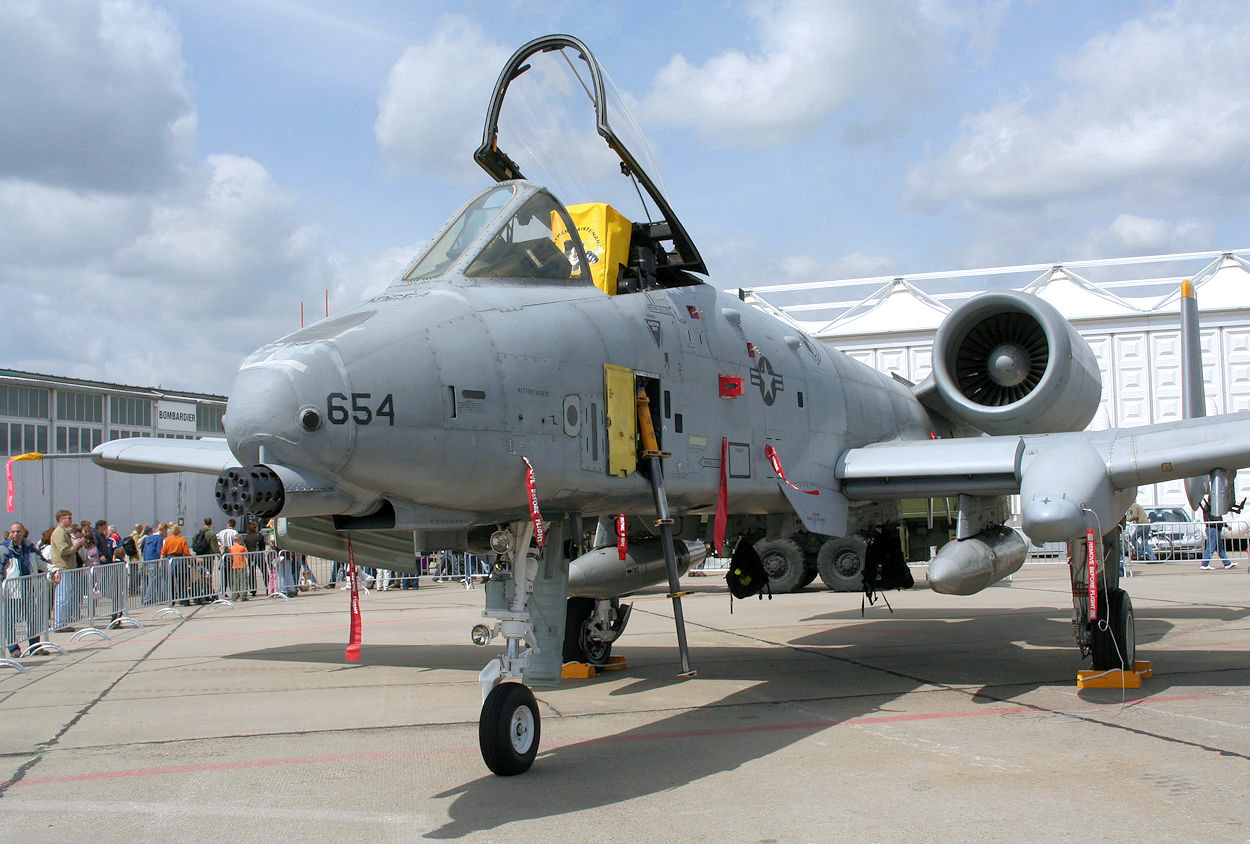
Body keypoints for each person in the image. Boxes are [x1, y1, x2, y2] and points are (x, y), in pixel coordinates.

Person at [2, 522, 53, 656]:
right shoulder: (5, 549)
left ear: (23, 532)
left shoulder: (29, 547)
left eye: (18, 531)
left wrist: (54, 570)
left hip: (29, 591)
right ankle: (14, 649)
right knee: (10, 621)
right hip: (12, 592)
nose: (16, 534)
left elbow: (42, 562)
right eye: (13, 532)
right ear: (9, 533)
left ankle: (35, 646)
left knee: (32, 620)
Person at [48, 509, 86, 632]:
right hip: (63, 567)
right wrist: (75, 546)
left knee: (65, 596)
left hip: (67, 567)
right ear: (61, 519)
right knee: (62, 597)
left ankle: (62, 622)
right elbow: (63, 551)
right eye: (68, 518)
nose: (71, 520)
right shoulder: (59, 533)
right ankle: (59, 623)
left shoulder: (64, 532)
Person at [1199, 496, 1244, 570]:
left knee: (1220, 548)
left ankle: (1227, 563)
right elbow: (1216, 519)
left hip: (1215, 528)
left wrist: (1225, 525)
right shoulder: (1211, 507)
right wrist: (1225, 525)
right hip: (1213, 529)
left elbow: (1217, 518)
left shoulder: (1211, 506)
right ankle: (1204, 564)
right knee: (1211, 547)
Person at [162, 524, 193, 605]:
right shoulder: (182, 540)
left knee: (171, 582)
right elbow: (186, 552)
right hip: (180, 560)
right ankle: (184, 600)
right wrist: (190, 559)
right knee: (181, 581)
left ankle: (171, 601)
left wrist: (161, 561)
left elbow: (163, 551)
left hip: (170, 560)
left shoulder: (167, 540)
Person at [141, 524, 165, 604]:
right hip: (154, 560)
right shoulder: (159, 538)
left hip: (147, 560)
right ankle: (147, 598)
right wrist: (160, 560)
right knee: (153, 580)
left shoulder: (149, 538)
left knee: (154, 580)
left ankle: (158, 598)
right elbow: (159, 551)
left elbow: (144, 550)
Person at [227, 535, 249, 601]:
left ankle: (234, 596)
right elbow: (247, 555)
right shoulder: (242, 547)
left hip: (234, 566)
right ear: (240, 540)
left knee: (235, 581)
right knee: (243, 581)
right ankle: (243, 595)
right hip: (242, 565)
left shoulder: (231, 548)